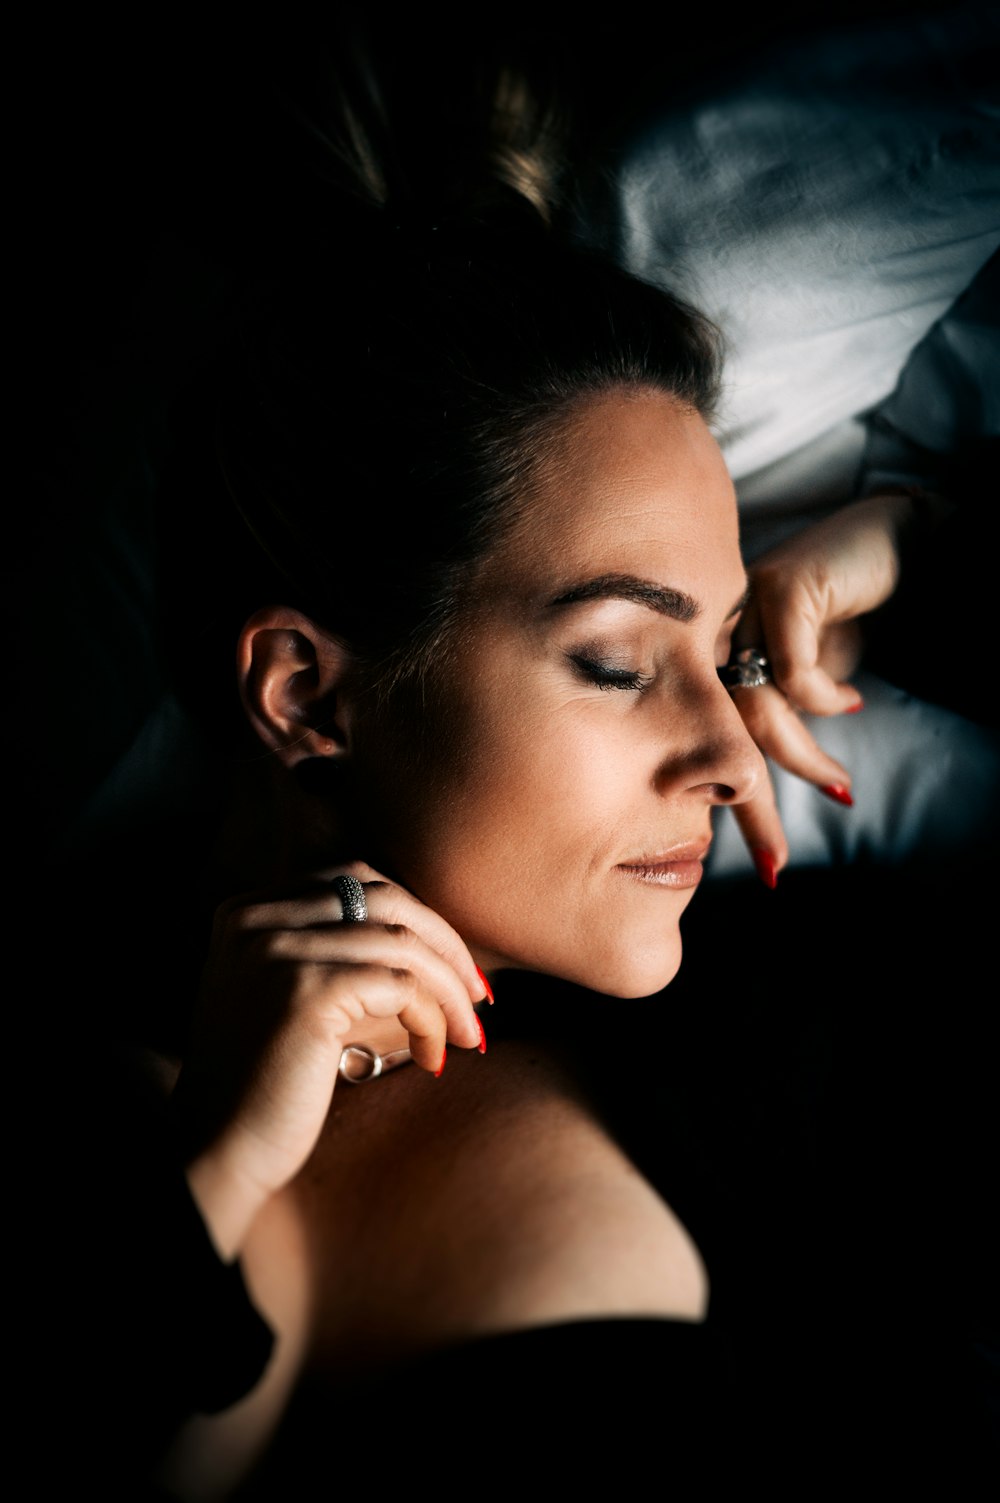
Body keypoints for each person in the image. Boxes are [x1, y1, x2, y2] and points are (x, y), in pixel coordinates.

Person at [34, 16, 996, 1499]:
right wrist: (214, 1169)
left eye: (730, 658)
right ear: (303, 691)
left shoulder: (818, 1001)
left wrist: (935, 548)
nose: (737, 759)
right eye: (619, 662)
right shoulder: (96, 1091)